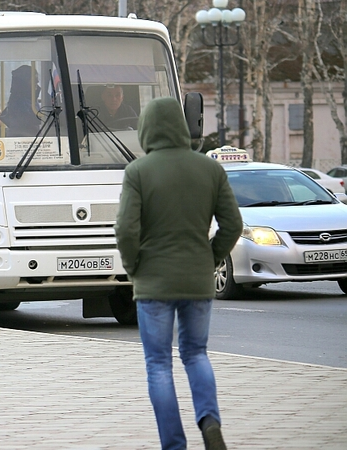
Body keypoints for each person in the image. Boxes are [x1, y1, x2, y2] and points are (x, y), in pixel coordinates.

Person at [114, 97, 242, 450]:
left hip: (153, 281)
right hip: (198, 280)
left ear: (146, 129)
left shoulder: (138, 171)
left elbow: (125, 229)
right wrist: (210, 258)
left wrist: (133, 266)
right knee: (196, 354)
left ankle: (174, 445)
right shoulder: (210, 169)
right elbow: (233, 224)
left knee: (159, 365)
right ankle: (210, 421)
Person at [0, 65, 41, 137]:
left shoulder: (31, 99)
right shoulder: (18, 104)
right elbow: (34, 121)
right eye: (34, 79)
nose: (37, 82)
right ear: (24, 82)